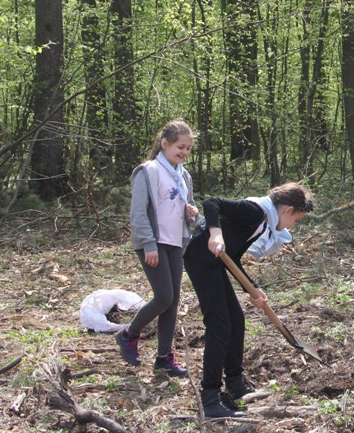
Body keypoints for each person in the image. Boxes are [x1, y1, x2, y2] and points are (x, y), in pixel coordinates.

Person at [183, 183, 314, 418]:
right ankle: (210, 397)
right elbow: (212, 201)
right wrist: (215, 232)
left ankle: (235, 383)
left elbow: (232, 257)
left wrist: (252, 288)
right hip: (201, 262)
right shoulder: (254, 211)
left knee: (237, 320)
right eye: (296, 219)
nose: (293, 225)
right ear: (288, 210)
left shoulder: (261, 222)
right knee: (219, 326)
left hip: (215, 265)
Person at [115, 119, 200, 377]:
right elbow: (138, 213)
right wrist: (149, 244)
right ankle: (128, 334)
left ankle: (164, 358)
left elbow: (189, 209)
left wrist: (192, 214)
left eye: (188, 148)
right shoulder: (148, 171)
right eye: (180, 147)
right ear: (164, 144)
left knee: (172, 302)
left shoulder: (183, 175)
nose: (184, 153)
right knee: (163, 296)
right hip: (153, 244)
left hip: (176, 243)